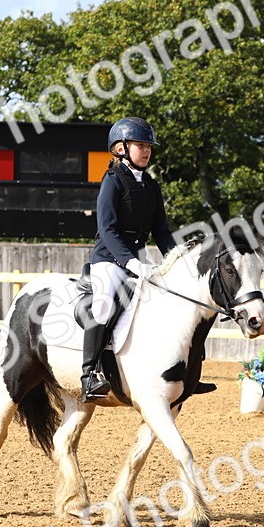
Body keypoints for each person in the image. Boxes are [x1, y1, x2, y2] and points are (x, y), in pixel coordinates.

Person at [81, 116, 176, 401]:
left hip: (140, 263)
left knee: (174, 299)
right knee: (103, 304)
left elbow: (161, 231)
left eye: (149, 146)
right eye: (140, 145)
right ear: (121, 148)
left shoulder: (151, 185)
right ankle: (89, 375)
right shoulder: (112, 180)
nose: (146, 150)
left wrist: (177, 259)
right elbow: (107, 229)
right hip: (109, 260)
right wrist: (130, 261)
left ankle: (182, 372)